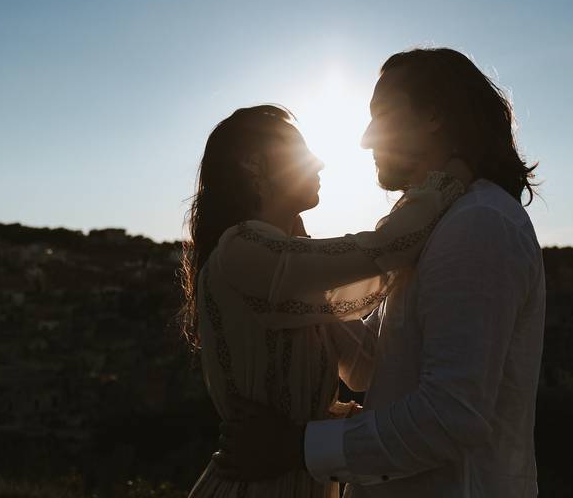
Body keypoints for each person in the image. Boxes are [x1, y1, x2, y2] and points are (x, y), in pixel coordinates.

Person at [215, 48, 546, 497]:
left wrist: (299, 445)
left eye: (382, 115)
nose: (366, 139)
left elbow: (451, 414)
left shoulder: (477, 223)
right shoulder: (437, 225)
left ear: (433, 116)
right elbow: (381, 362)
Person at [179, 104, 472, 498]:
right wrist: (449, 182)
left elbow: (368, 367)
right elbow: (384, 247)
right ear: (253, 164)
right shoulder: (243, 248)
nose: (317, 162)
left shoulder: (289, 272)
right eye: (297, 151)